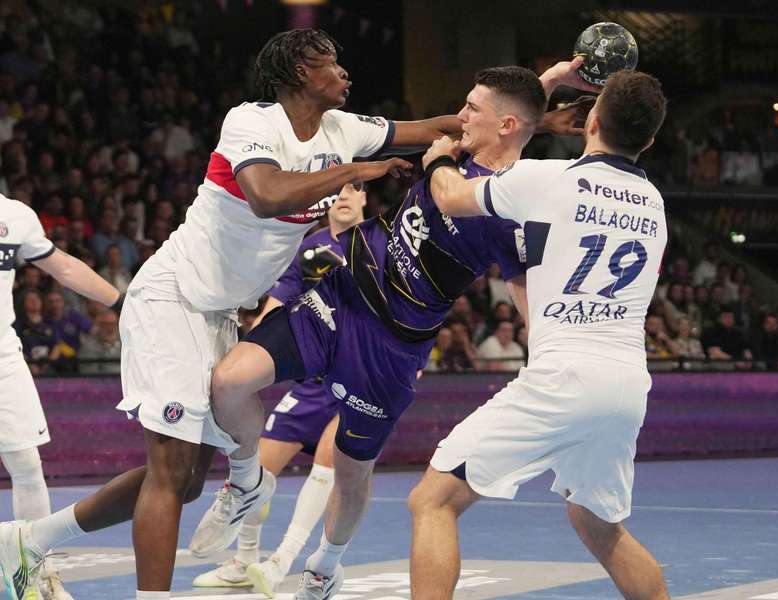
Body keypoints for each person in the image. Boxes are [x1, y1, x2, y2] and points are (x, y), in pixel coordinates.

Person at [0, 25, 482, 600]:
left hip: (218, 313)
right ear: (301, 70)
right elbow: (267, 194)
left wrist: (533, 112)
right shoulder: (251, 121)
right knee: (170, 468)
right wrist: (354, 171)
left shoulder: (343, 129)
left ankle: (28, 540)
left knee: (184, 483)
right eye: (332, 62)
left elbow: (437, 127)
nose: (345, 73)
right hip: (172, 298)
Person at [190, 61, 593, 599]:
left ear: (502, 126)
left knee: (352, 476)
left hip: (392, 350)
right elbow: (513, 113)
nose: (460, 113)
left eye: (472, 107)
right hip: (342, 297)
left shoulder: (512, 207)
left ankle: (324, 566)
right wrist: (556, 76)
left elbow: (525, 288)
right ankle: (246, 481)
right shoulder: (463, 143)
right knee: (228, 380)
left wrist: (551, 350)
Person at [410, 69, 670, 600]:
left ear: (591, 120)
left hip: (564, 377)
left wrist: (438, 157)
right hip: (627, 385)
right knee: (598, 524)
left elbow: (452, 197)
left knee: (433, 501)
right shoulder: (656, 205)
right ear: (648, 141)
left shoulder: (552, 180)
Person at [192, 183, 364, 596]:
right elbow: (277, 306)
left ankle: (282, 562)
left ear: (363, 198)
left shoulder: (379, 243)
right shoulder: (308, 248)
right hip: (311, 385)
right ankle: (244, 561)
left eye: (353, 188)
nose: (343, 194)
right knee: (257, 472)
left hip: (359, 378)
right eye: (336, 189)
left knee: (330, 465)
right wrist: (250, 354)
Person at [0, 193, 123, 600]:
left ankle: (33, 571)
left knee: (28, 464)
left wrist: (123, 301)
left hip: (3, 356)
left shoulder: (14, 215)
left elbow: (65, 268)